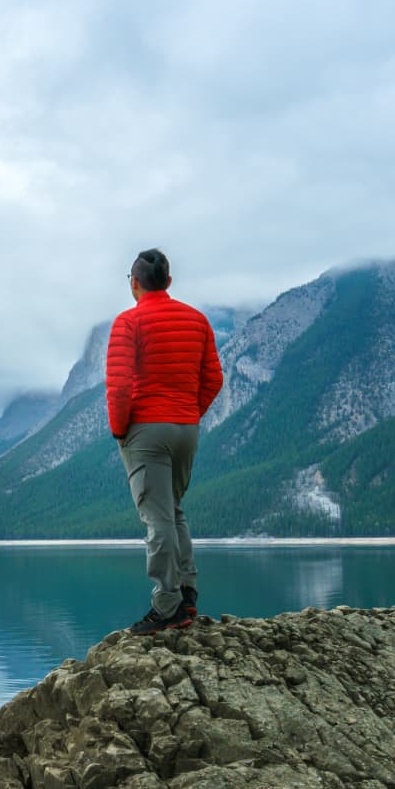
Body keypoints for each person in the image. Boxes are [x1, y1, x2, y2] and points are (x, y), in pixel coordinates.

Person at [105, 248, 224, 635]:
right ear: (169, 282)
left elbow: (120, 386)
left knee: (157, 519)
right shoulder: (198, 320)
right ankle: (187, 594)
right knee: (173, 511)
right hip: (185, 428)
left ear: (134, 283)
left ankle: (167, 605)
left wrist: (120, 429)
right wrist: (190, 413)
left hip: (146, 431)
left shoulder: (128, 322)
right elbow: (214, 380)